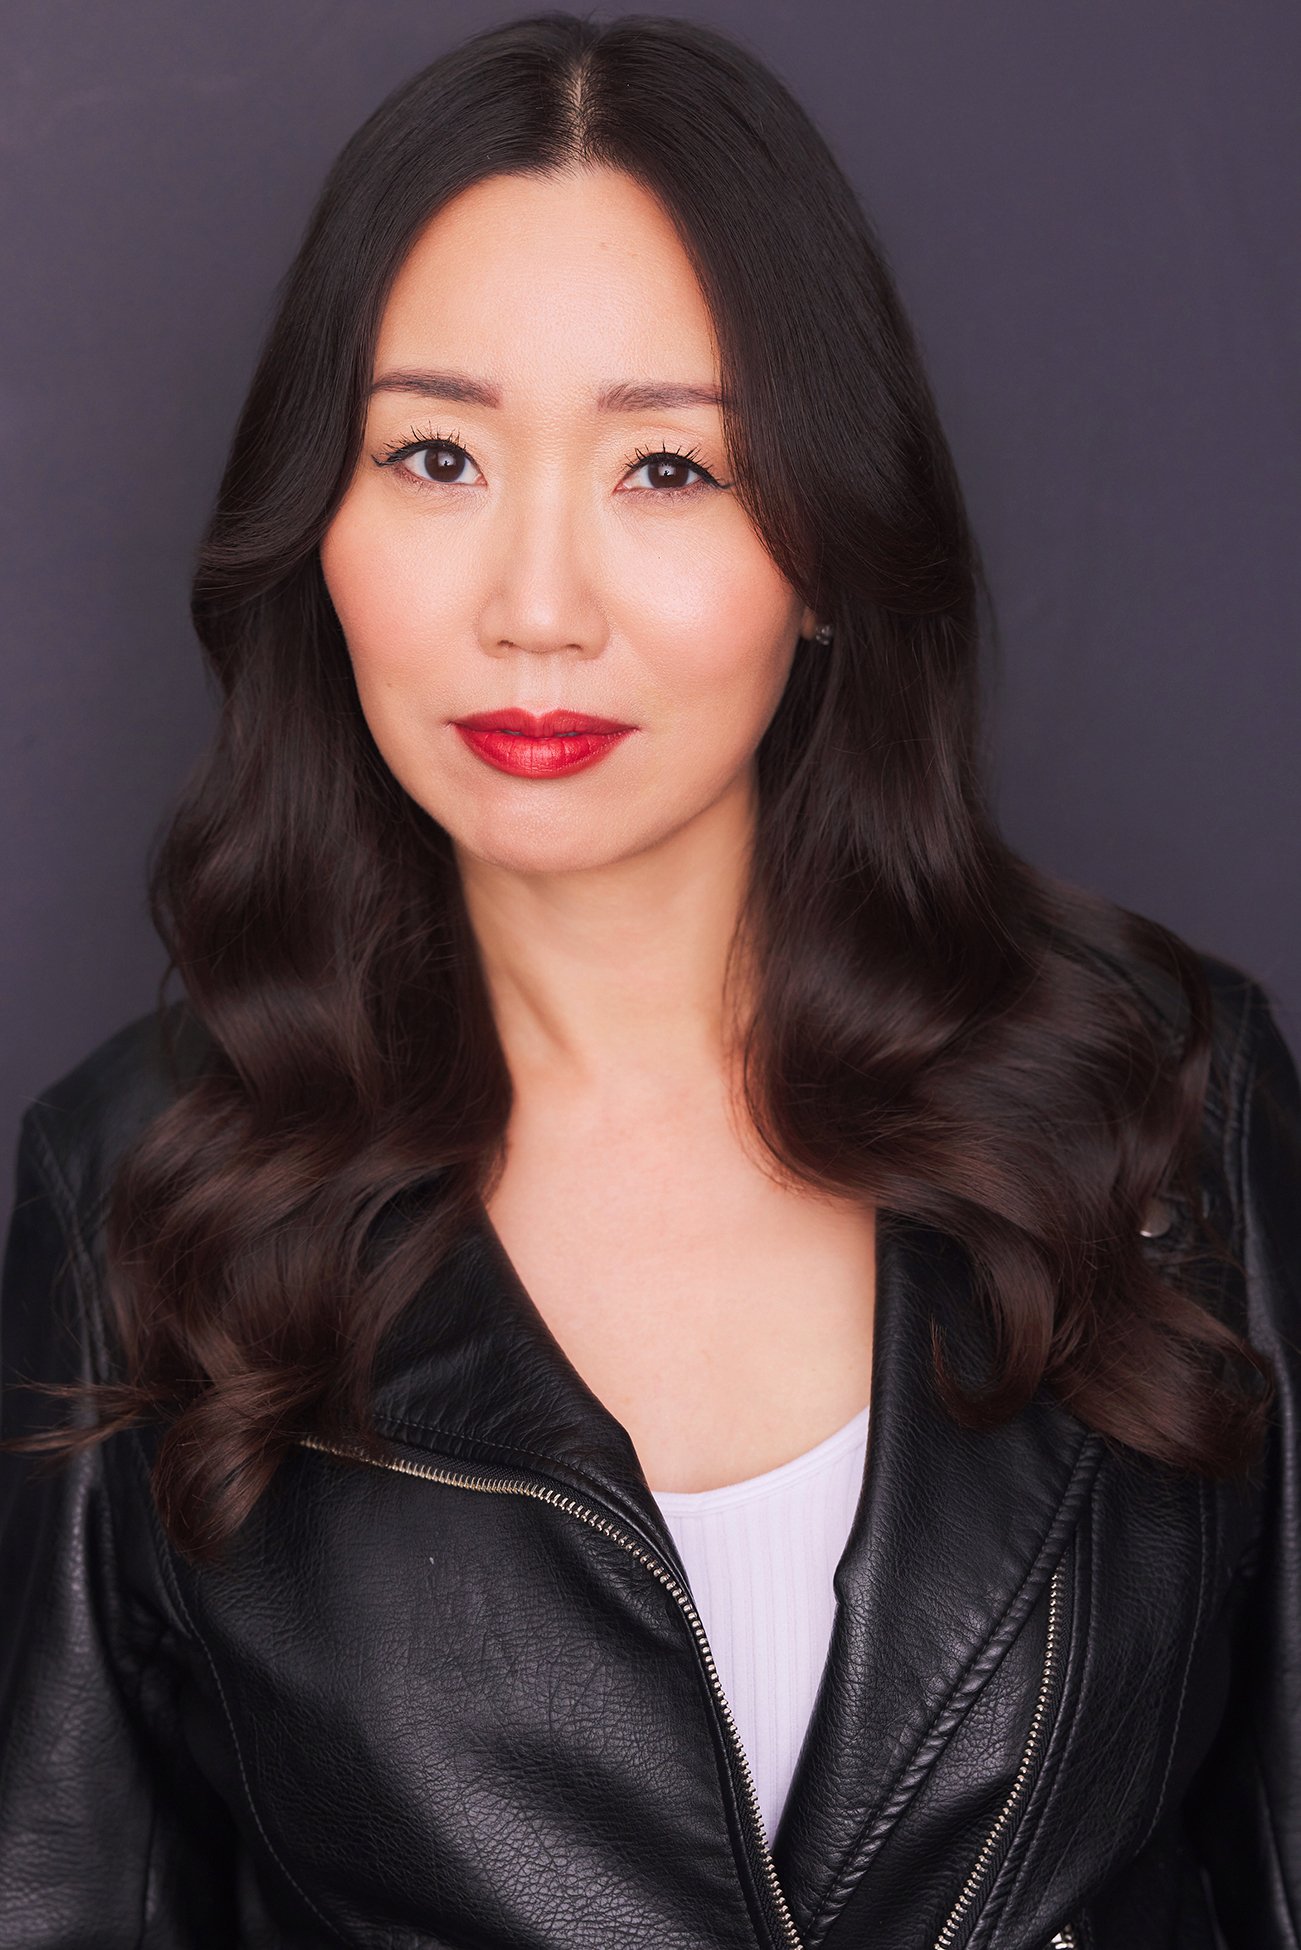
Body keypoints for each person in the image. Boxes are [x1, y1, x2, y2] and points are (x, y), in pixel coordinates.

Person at [1, 11, 1297, 1947]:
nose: (537, 605)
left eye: (670, 469)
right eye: (436, 453)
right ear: (318, 532)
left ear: (833, 550)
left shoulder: (1168, 1103)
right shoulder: (136, 1191)